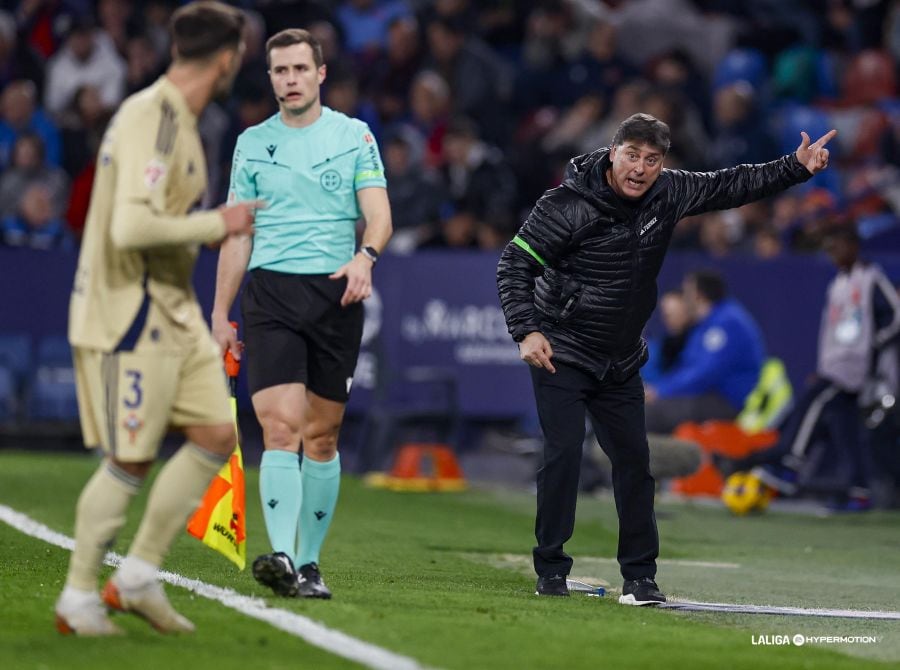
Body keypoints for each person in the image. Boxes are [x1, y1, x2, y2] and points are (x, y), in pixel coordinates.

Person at [496, 112, 835, 604]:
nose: (640, 168)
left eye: (652, 159)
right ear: (612, 153)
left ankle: (640, 579)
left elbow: (730, 185)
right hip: (562, 351)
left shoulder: (669, 192)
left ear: (662, 164)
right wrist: (526, 330)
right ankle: (551, 570)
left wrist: (796, 168)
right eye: (632, 155)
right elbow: (515, 263)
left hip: (620, 360)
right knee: (564, 455)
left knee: (635, 463)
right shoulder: (566, 203)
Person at [55, 1, 259, 636]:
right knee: (131, 458)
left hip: (173, 311)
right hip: (130, 312)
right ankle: (79, 595)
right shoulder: (153, 117)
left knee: (216, 436)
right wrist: (216, 223)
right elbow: (130, 225)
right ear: (226, 58)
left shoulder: (184, 120)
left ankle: (138, 576)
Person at [212, 28, 392, 599]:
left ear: (319, 74)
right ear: (269, 78)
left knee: (322, 436)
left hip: (335, 294)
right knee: (280, 427)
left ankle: (310, 565)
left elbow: (379, 216)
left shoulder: (354, 135)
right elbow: (236, 235)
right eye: (279, 71)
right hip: (269, 295)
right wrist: (220, 312)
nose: (289, 80)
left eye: (298, 69)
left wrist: (366, 257)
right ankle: (284, 557)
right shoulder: (250, 143)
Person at [744, 226, 900, 511]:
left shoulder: (871, 278)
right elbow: (831, 332)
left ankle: (790, 464)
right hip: (838, 364)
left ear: (854, 246)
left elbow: (895, 316)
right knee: (846, 429)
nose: (833, 254)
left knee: (813, 402)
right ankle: (859, 491)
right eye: (829, 249)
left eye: (838, 247)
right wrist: (824, 364)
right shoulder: (837, 283)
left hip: (857, 367)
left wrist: (872, 347)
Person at [644, 270, 766, 433]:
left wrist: (660, 391)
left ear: (698, 296)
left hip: (728, 403)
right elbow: (687, 368)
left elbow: (704, 374)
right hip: (708, 396)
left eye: (686, 292)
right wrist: (657, 389)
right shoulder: (705, 325)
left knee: (651, 414)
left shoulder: (726, 323)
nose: (683, 298)